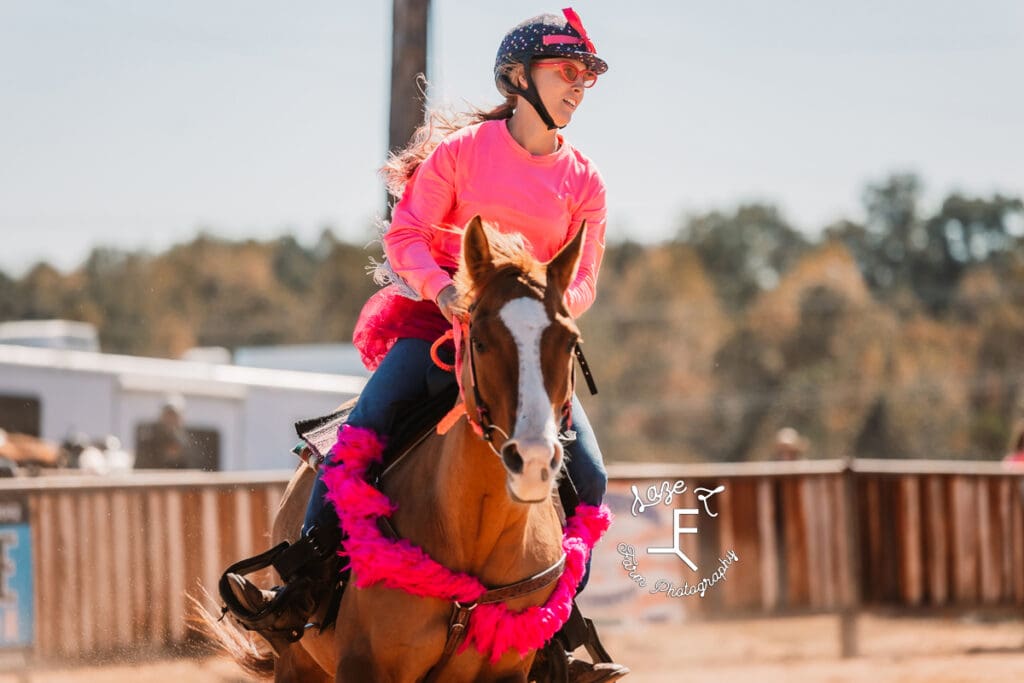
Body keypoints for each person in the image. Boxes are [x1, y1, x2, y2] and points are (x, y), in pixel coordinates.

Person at [223, 8, 625, 680]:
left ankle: (555, 635)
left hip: (526, 339)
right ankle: (302, 587)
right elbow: (405, 234)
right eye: (568, 71)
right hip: (436, 325)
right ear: (518, 78)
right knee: (358, 435)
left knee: (591, 475)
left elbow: (581, 281)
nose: (580, 85)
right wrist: (445, 293)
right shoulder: (462, 155)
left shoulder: (587, 181)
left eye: (588, 76)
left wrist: (534, 306)